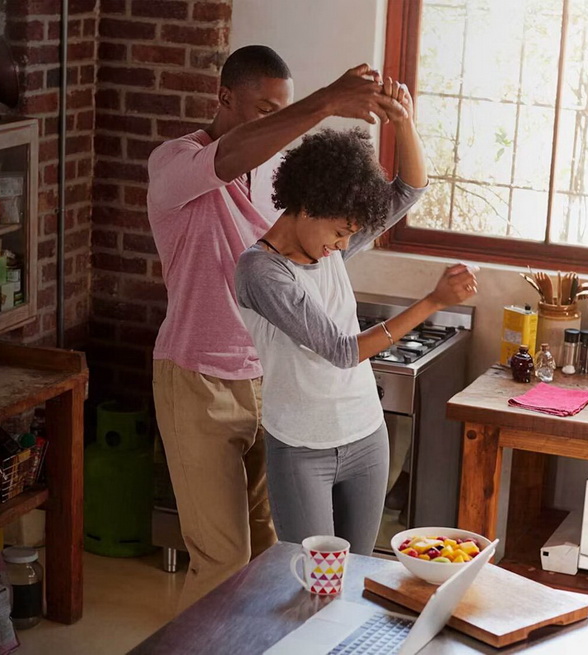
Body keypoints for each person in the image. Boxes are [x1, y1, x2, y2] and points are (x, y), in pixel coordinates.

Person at [147, 45, 405, 607]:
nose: (278, 124)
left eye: (281, 110)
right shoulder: (173, 165)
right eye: (266, 110)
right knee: (223, 561)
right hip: (198, 381)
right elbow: (229, 155)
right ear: (223, 97)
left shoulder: (273, 181)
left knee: (277, 559)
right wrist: (328, 101)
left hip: (271, 381)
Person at [235, 79, 479, 556]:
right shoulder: (260, 271)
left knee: (358, 577)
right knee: (314, 585)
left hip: (366, 435)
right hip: (302, 449)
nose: (345, 244)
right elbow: (342, 350)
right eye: (341, 232)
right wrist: (432, 301)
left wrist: (403, 119)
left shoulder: (327, 246)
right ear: (308, 205)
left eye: (350, 233)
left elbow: (409, 188)